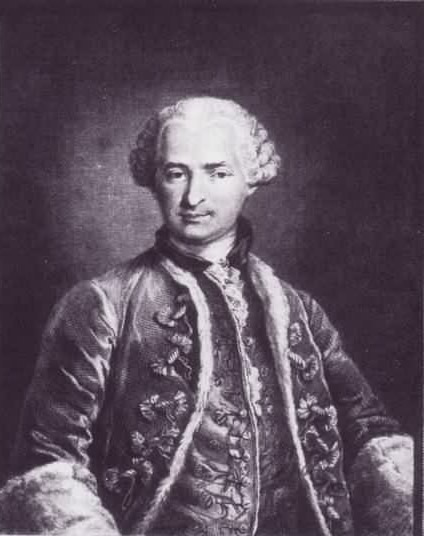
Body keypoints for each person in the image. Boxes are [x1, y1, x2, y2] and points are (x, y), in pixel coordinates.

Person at [0, 97, 413, 536]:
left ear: (251, 178)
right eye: (176, 173)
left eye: (217, 173)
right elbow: (48, 464)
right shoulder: (101, 304)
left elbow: (371, 434)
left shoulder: (299, 310)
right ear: (154, 180)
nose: (193, 197)